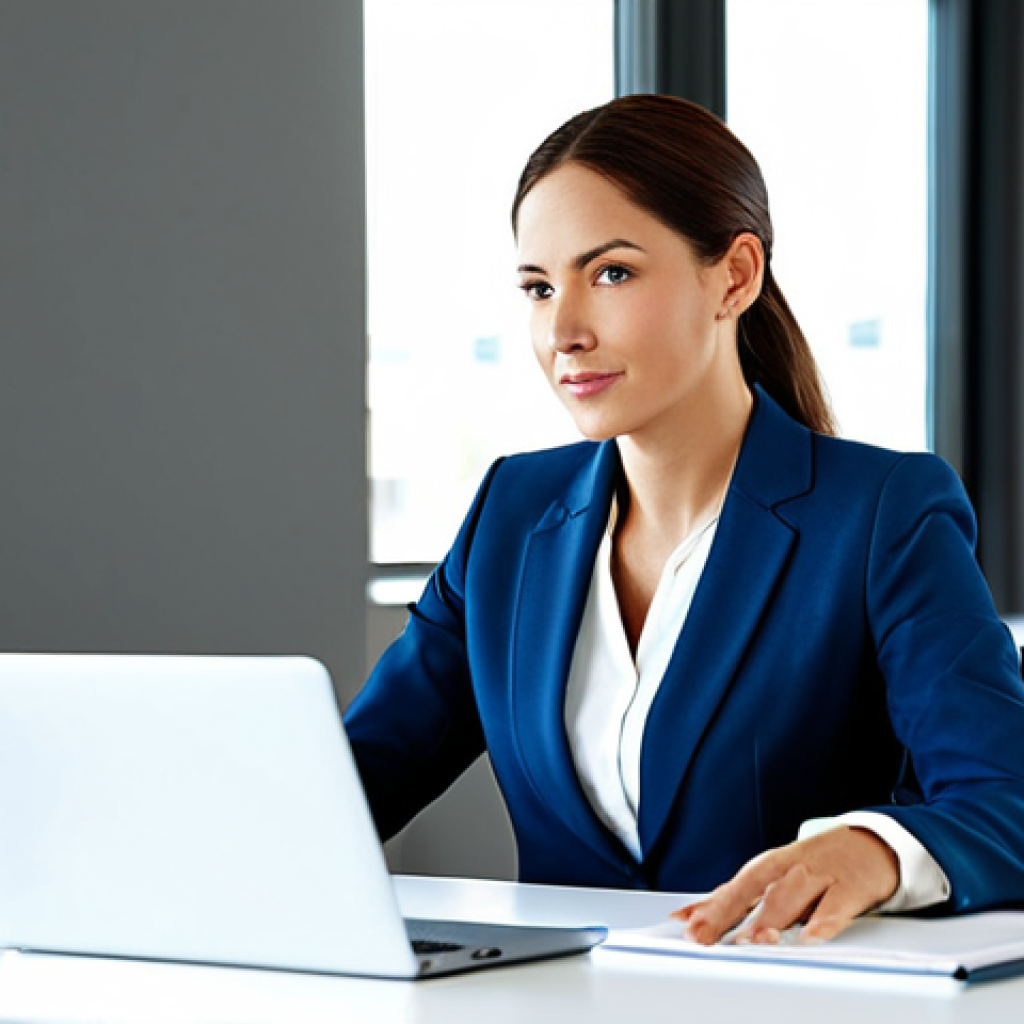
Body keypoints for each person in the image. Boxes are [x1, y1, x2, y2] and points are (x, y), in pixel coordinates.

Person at [346, 94, 1024, 945]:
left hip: (791, 993)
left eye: (611, 274)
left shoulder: (882, 512)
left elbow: (1006, 798)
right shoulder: (510, 516)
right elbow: (353, 781)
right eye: (539, 287)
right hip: (554, 999)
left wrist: (873, 850)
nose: (563, 330)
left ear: (734, 277)